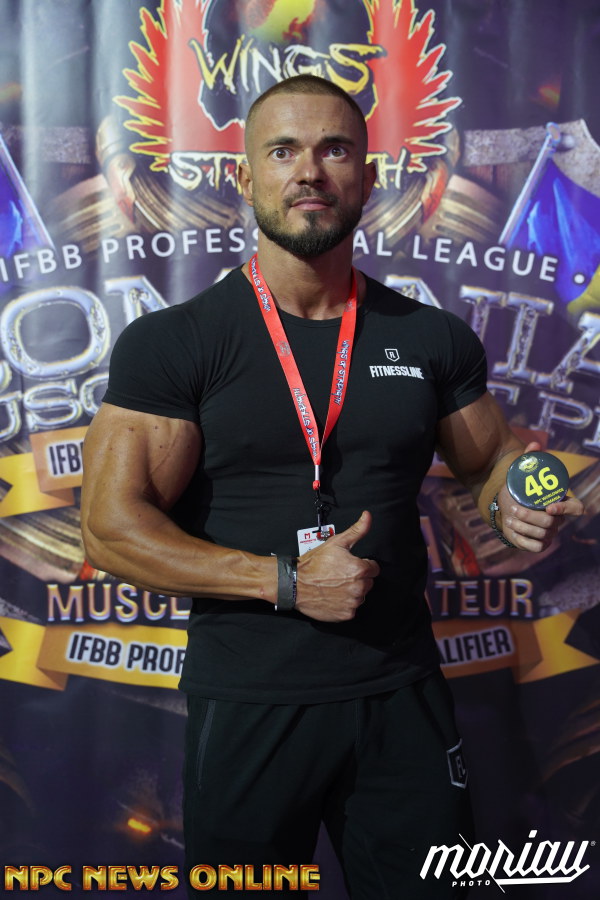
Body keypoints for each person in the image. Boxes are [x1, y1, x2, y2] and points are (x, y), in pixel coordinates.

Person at [81, 75, 584, 898]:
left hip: (401, 695)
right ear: (244, 176)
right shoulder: (176, 343)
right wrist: (285, 581)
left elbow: (488, 462)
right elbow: (110, 528)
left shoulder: (429, 337)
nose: (309, 171)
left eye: (335, 150)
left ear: (368, 177)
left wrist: (516, 504)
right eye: (282, 151)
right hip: (251, 703)